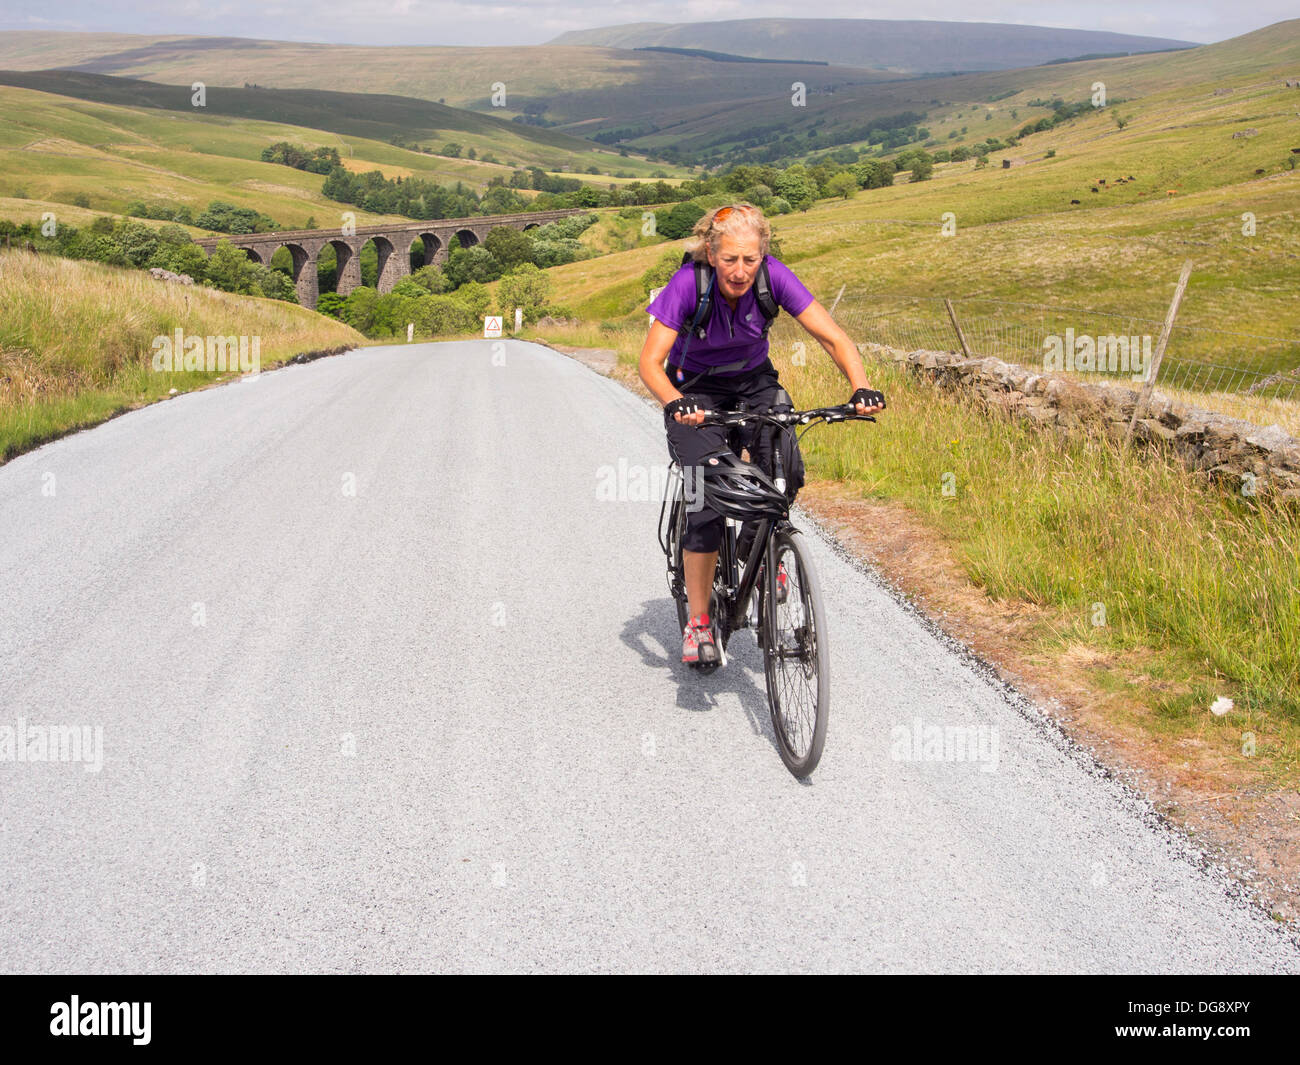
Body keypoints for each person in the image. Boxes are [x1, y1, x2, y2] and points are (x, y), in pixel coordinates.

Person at [638, 202, 886, 666]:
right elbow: (649, 363)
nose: (740, 270)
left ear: (762, 256)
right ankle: (698, 623)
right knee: (706, 500)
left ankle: (761, 556)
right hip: (694, 391)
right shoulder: (689, 284)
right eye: (730, 258)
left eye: (749, 259)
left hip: (754, 383)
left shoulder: (774, 278)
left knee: (783, 470)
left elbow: (833, 337)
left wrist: (860, 385)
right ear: (712, 254)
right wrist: (675, 402)